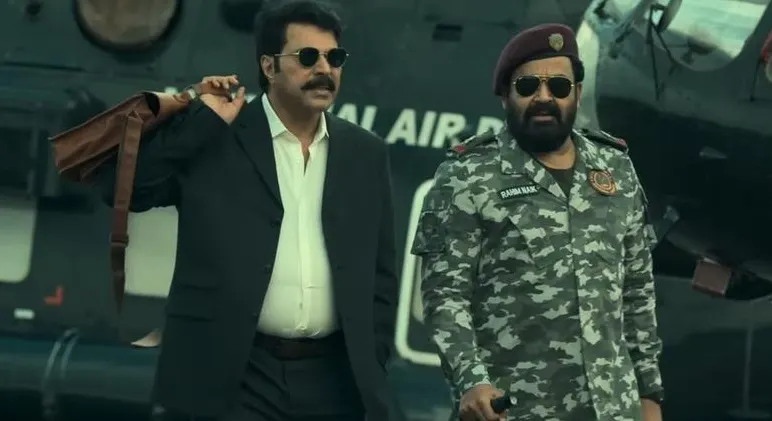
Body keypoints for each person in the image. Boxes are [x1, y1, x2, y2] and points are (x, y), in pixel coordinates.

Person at [93, 1, 398, 420]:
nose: (324, 69)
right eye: (308, 57)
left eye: (335, 57)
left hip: (333, 380)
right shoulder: (216, 137)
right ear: (269, 66)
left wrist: (373, 357)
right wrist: (200, 121)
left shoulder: (366, 153)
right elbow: (123, 190)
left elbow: (381, 274)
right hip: (235, 374)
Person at [411, 23, 663, 421]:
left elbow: (637, 291)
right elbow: (445, 297)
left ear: (576, 93)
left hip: (614, 409)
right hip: (513, 410)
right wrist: (472, 383)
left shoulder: (615, 168)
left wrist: (649, 394)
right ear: (505, 96)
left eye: (559, 87)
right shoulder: (466, 175)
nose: (544, 97)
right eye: (528, 86)